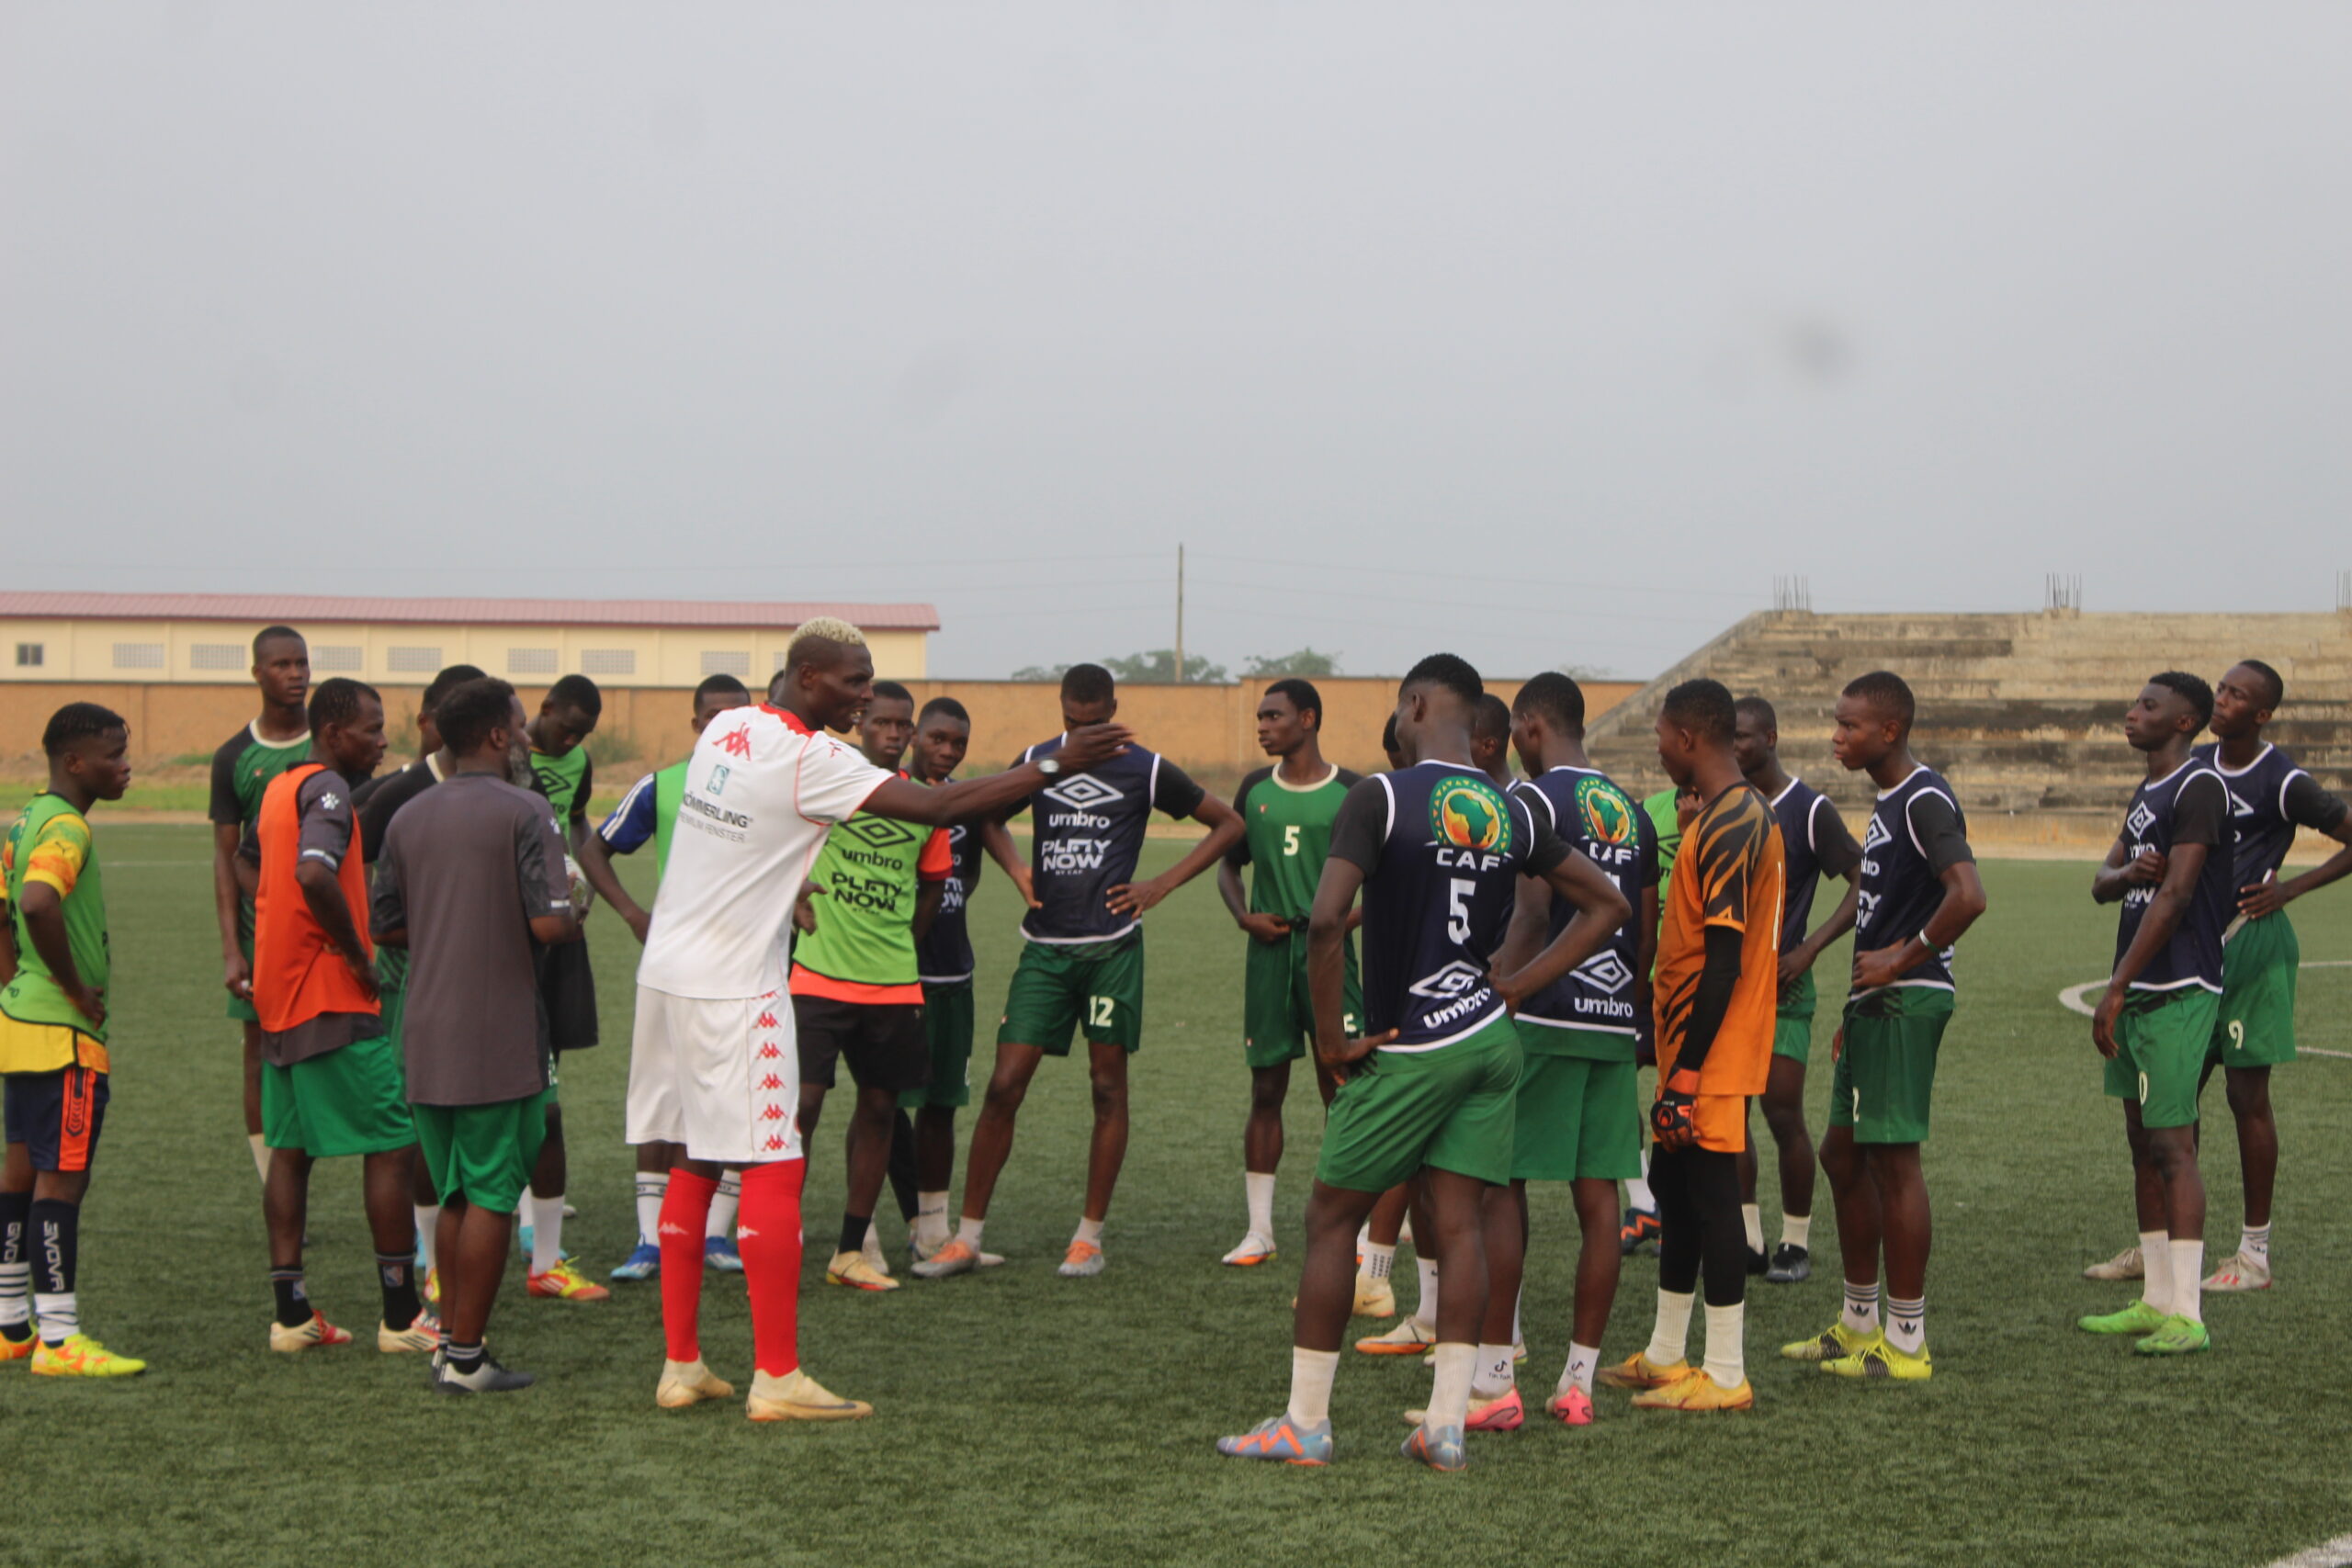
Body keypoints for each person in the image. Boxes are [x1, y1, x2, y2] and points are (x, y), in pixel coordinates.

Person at [630, 619, 1131, 1420]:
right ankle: (778, 1377)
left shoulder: (728, 726)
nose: (866, 695)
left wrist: (780, 884)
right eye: (853, 680)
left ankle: (682, 1363)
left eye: (869, 681)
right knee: (770, 1164)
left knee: (694, 1157)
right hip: (734, 984)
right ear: (804, 673)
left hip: (667, 974)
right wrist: (1051, 765)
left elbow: (725, 830)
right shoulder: (811, 756)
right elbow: (942, 806)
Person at [1216, 654, 1628, 1471]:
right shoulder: (1509, 805)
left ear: (1413, 706)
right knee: (1461, 1221)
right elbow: (1607, 904)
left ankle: (1305, 1421)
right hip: (1487, 1039)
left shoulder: (1380, 793)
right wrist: (1512, 988)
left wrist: (1331, 1040)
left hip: (1412, 1041)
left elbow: (1328, 921)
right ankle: (1445, 1422)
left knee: (1332, 1215)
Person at [916, 662, 1243, 1280]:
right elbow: (987, 811)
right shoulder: (1038, 759)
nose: (1083, 734)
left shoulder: (1145, 768)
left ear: (1113, 711)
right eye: (1074, 723)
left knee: (1106, 1086)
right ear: (1061, 712)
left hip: (1113, 949)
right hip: (1045, 948)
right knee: (1004, 1083)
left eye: (1095, 725)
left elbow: (1228, 823)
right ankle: (966, 1237)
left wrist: (1162, 884)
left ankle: (1088, 1238)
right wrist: (1016, 868)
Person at [2084, 660, 2352, 1292]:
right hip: (2191, 947)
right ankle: (2168, 1249)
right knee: (2171, 1098)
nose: (2225, 700)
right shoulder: (2191, 767)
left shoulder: (2281, 778)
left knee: (2245, 1095)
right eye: (2222, 689)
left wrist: (2290, 889)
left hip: (2250, 946)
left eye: (2239, 696)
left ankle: (2253, 1253)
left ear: (2261, 715)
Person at [370, 678, 581, 1393]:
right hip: (497, 1031)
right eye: (518, 728)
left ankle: (453, 1345)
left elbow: (384, 922)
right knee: (492, 1191)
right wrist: (573, 907)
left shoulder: (408, 815)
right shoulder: (527, 808)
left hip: (424, 1028)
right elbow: (551, 923)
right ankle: (465, 1357)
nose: (525, 739)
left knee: (457, 1191)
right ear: (495, 735)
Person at [1781, 671, 1985, 1381]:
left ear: (1889, 730)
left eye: (1849, 725)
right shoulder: (1892, 799)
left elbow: (1969, 894)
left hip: (1907, 999)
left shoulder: (1925, 797)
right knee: (1842, 1154)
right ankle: (1858, 1321)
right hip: (1876, 1005)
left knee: (1896, 1164)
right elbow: (1882, 899)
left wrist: (1902, 958)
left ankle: (1905, 1341)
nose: (1837, 736)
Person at [1595, 679, 1783, 1414]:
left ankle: (1728, 1371)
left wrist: (1690, 1072)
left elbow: (1726, 962)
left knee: (1713, 1200)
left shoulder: (1737, 821)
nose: (1660, 752)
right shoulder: (1714, 817)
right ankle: (1668, 1353)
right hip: (1688, 1044)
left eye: (1662, 739)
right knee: (1673, 1192)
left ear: (1687, 739)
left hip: (1715, 1046)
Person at [1477, 671, 1657, 1427]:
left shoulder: (1530, 800)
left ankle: (1495, 1379)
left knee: (1503, 1186)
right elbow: (1643, 928)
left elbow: (1532, 907)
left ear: (1528, 726)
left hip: (1542, 1016)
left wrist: (1501, 985)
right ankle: (1577, 1383)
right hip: (1611, 1021)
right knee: (1598, 1201)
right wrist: (1636, 1017)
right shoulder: (1632, 810)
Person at [241, 678, 435, 1355]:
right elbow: (315, 875)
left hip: (279, 997)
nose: (383, 740)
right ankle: (401, 1314)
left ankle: (291, 1315)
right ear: (333, 733)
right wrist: (354, 953)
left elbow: (248, 866)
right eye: (371, 728)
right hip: (330, 996)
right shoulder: (326, 790)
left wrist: (273, 941)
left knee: (289, 1153)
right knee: (392, 1141)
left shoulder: (275, 786)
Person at [576, 673, 752, 1282]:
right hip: (673, 966)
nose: (725, 727)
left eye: (738, 717)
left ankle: (713, 1234)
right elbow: (594, 848)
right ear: (697, 724)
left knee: (733, 1099)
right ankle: (650, 1240)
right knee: (661, 1098)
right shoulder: (663, 785)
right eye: (714, 717)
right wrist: (631, 913)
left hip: (745, 968)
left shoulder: (774, 788)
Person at [2077, 673, 2232, 1358]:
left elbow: (2176, 895)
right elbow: (2102, 882)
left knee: (2174, 1146)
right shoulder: (2148, 792)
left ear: (2185, 720)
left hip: (2178, 985)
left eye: (2148, 705)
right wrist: (2126, 873)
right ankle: (2154, 1299)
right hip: (2140, 989)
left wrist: (2116, 985)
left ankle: (2189, 1313)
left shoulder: (2199, 787)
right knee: (2142, 1145)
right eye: (2135, 701)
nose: (2131, 712)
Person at [784, 680, 953, 1292]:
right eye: (882, 722)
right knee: (801, 1108)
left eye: (902, 725)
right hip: (818, 974)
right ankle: (782, 1236)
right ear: (860, 724)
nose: (893, 733)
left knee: (881, 1108)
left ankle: (850, 1249)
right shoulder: (827, 785)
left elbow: (934, 879)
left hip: (891, 982)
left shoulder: (922, 803)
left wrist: (904, 935)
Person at [0, 704, 142, 1376]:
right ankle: (59, 1338)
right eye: (115, 753)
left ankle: (10, 1325)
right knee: (63, 1182)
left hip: (19, 1023)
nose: (127, 764)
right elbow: (34, 902)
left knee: (21, 1170)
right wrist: (75, 990)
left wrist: (16, 984)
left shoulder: (23, 818)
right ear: (76, 761)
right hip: (63, 1036)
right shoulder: (66, 828)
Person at [1214, 679, 1363, 1268]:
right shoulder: (1254, 788)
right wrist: (1243, 916)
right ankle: (1260, 1230)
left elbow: (1382, 881)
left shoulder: (1353, 790)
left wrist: (1340, 925)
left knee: (1343, 1088)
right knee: (1266, 1088)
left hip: (1329, 959)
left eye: (1273, 716)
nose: (1263, 725)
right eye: (1260, 716)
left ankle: (1346, 1227)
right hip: (1269, 957)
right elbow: (1228, 865)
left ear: (1308, 718)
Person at [351, 663, 487, 1292]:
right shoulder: (397, 795)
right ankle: (431, 1262)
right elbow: (342, 872)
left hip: (483, 983)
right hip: (412, 979)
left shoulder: (504, 787)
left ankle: (466, 1245)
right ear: (433, 722)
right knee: (417, 1119)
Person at [1731, 694, 1862, 1283]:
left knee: (1782, 1113)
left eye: (1742, 736)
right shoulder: (1725, 803)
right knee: (1728, 1119)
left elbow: (1863, 883)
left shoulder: (1809, 810)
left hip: (1785, 987)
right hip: (1729, 987)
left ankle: (1796, 1242)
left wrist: (1810, 947)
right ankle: (1749, 1239)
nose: (1733, 746)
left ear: (1772, 737)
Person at [515, 673, 607, 1302]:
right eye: (565, 726)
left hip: (561, 924)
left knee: (549, 1060)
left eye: (580, 733)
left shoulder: (578, 760)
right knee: (515, 1067)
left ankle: (536, 1206)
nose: (570, 738)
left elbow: (576, 822)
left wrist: (587, 876)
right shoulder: (511, 754)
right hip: (516, 926)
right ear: (543, 709)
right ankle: (521, 1205)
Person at [899, 696, 998, 1265]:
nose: (947, 751)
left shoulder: (962, 802)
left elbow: (971, 867)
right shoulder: (887, 792)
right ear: (916, 737)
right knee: (884, 1106)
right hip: (897, 977)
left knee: (941, 1106)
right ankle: (860, 1235)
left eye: (957, 743)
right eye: (937, 738)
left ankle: (932, 1231)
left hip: (953, 973)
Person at [211, 625, 312, 1183]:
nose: (295, 673)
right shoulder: (234, 756)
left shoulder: (331, 741)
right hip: (264, 934)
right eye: (282, 664)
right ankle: (273, 1178)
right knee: (260, 1051)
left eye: (301, 663)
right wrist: (232, 949)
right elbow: (226, 858)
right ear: (258, 673)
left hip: (330, 929)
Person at [1620, 780, 1701, 1255]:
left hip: (1696, 984)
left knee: (1687, 1101)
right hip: (1642, 979)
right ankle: (1645, 1200)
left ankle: (1689, 1210)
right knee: (1614, 1088)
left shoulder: (1730, 814)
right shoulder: (1644, 812)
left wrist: (1692, 831)